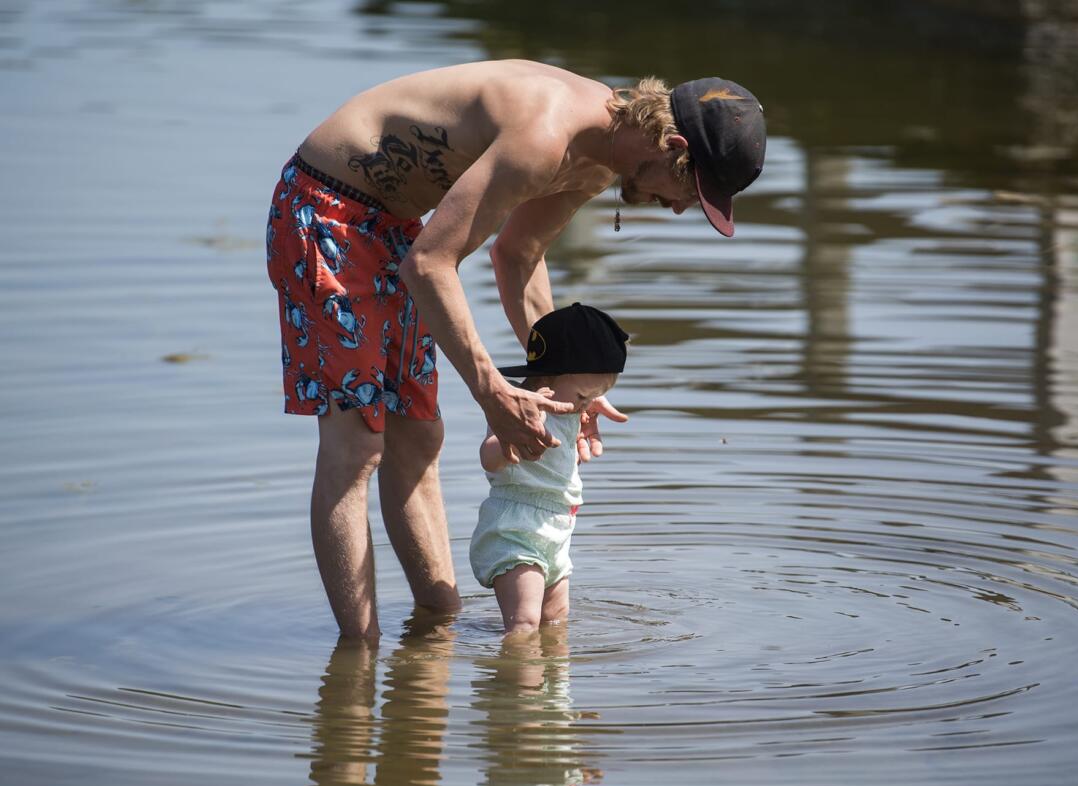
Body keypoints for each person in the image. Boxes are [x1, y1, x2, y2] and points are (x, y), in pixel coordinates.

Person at [265, 59, 766, 639]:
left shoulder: (598, 160)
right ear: (671, 144)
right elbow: (430, 265)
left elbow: (519, 256)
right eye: (690, 191)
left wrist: (560, 387)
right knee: (357, 444)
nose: (680, 208)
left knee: (419, 435)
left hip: (395, 224)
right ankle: (358, 661)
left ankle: (434, 637)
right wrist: (491, 393)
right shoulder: (545, 136)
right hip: (325, 209)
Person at [469, 304, 627, 635]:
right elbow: (487, 457)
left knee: (555, 619)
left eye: (597, 396)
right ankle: (517, 682)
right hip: (516, 528)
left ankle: (555, 686)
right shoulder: (518, 409)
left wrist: (584, 403)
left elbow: (577, 407)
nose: (588, 404)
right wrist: (511, 443)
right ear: (549, 377)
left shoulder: (572, 409)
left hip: (557, 529)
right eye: (585, 395)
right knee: (524, 624)